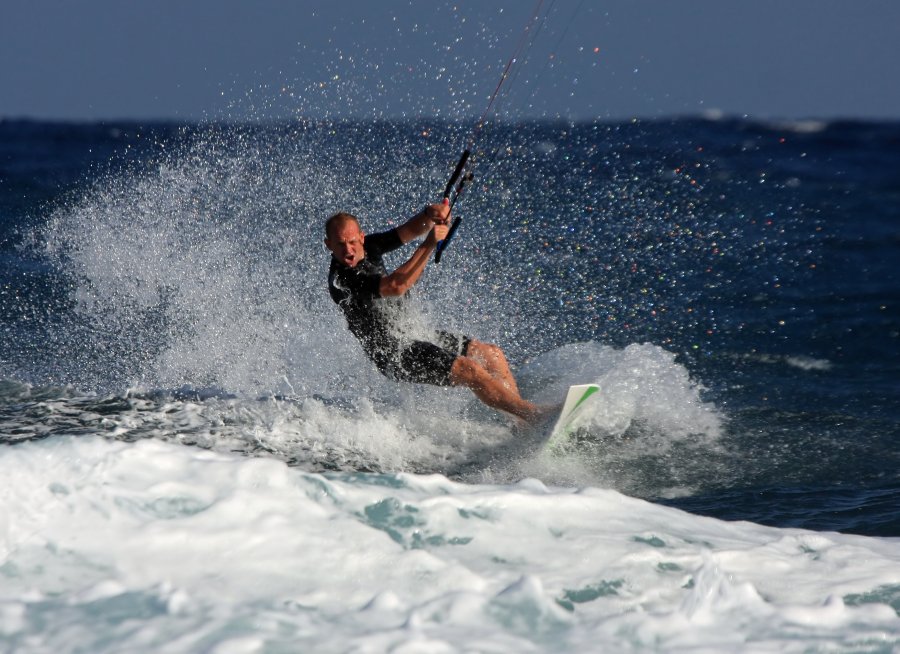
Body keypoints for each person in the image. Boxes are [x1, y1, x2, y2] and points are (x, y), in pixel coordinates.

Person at [324, 201, 548, 423]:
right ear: (328, 245)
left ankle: (522, 422)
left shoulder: (370, 246)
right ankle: (533, 415)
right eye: (340, 244)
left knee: (492, 354)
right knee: (470, 370)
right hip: (393, 354)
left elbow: (410, 230)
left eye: (352, 242)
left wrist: (430, 214)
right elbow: (396, 286)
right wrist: (430, 243)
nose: (348, 250)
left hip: (413, 334)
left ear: (361, 237)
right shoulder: (342, 280)